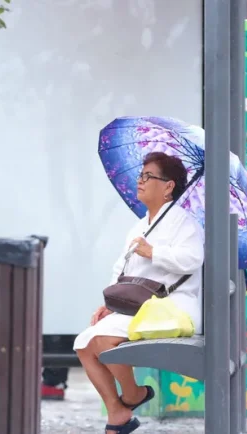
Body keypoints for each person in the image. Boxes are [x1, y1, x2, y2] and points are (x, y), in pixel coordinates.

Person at [74, 152, 204, 434]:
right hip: (141, 308)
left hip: (172, 307)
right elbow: (122, 268)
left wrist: (153, 251)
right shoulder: (140, 225)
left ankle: (133, 394)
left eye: (148, 176)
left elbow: (193, 259)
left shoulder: (185, 222)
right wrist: (109, 304)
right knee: (83, 344)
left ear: (168, 186)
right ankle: (119, 412)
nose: (140, 181)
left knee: (103, 339)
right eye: (140, 176)